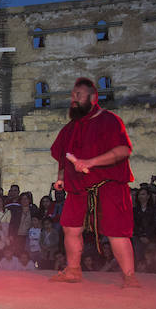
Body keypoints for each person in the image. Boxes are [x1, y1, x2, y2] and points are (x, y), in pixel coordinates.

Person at [49, 77, 139, 287]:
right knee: (70, 228)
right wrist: (61, 178)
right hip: (78, 188)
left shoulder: (109, 121)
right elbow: (64, 157)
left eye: (78, 95)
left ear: (93, 97)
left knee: (117, 232)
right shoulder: (69, 129)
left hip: (108, 185)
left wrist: (91, 162)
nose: (73, 99)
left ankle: (129, 276)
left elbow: (123, 150)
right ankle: (73, 270)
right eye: (72, 95)